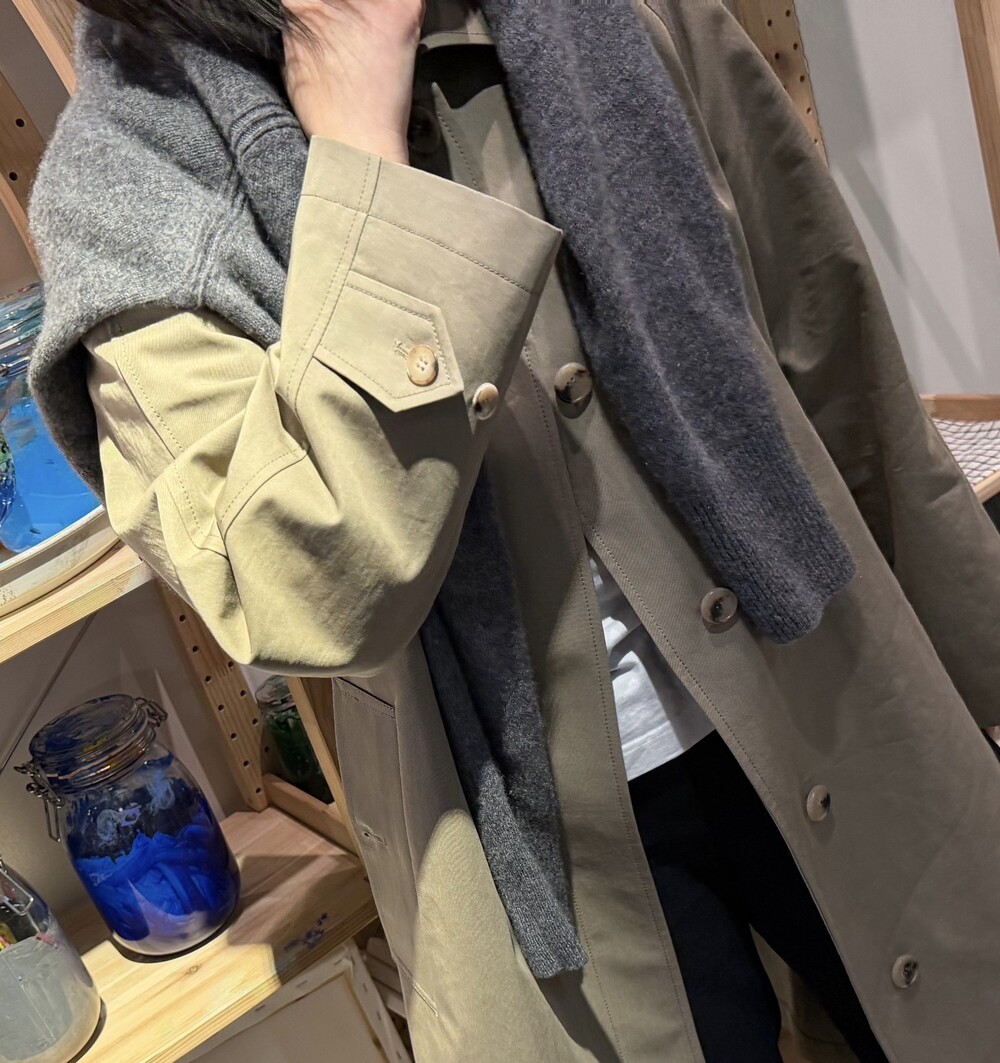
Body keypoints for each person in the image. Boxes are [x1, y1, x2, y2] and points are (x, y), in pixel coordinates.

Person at [28, 1, 1000, 1061]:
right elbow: (299, 589)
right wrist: (362, 161)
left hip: (826, 685)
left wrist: (980, 666)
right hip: (546, 856)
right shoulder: (131, 182)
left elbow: (828, 336)